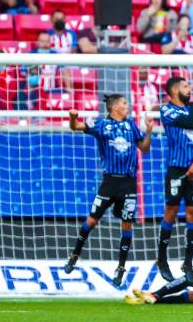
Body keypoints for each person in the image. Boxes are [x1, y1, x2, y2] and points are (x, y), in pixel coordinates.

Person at [63, 98, 154, 285]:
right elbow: (76, 127)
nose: (127, 106)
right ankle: (74, 255)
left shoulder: (132, 125)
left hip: (128, 183)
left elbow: (144, 148)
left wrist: (149, 131)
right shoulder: (102, 125)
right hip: (109, 182)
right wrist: (72, 118)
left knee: (127, 224)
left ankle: (121, 267)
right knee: (92, 220)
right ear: (114, 107)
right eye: (124, 103)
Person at [156, 77, 193, 282]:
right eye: (186, 86)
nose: (190, 89)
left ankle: (188, 262)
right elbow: (187, 121)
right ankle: (162, 258)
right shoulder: (166, 110)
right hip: (176, 169)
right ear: (175, 90)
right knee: (171, 211)